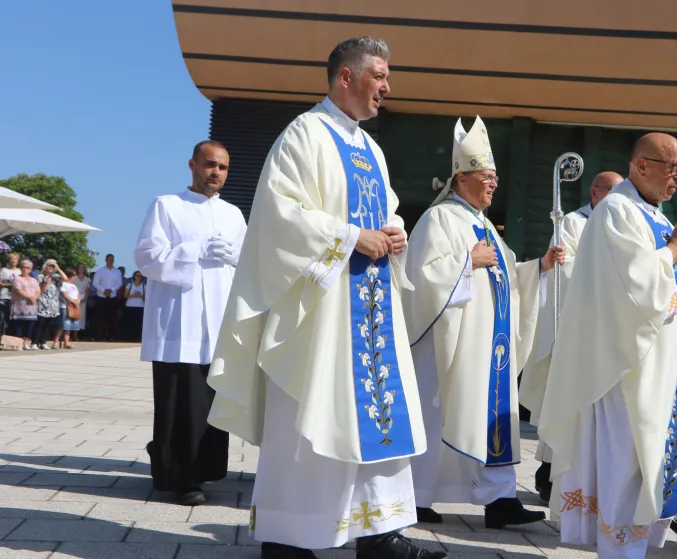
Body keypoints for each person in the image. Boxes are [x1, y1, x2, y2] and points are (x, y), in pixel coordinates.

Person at [205, 37, 446, 559]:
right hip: (321, 311)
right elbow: (278, 215)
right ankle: (292, 538)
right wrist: (349, 236)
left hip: (371, 309)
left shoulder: (371, 149)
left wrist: (394, 232)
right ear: (346, 77)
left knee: (375, 412)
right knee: (314, 415)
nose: (387, 86)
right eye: (379, 75)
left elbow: (387, 210)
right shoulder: (304, 135)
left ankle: (380, 533)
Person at [537, 133, 677, 558]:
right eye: (672, 167)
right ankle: (620, 549)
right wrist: (676, 248)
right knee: (631, 456)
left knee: (657, 458)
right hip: (628, 365)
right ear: (640, 166)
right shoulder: (617, 210)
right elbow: (634, 283)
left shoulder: (654, 216)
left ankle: (639, 546)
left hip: (664, 361)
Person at [403, 115, 566, 528]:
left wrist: (538, 269)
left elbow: (506, 274)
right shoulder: (439, 219)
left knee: (493, 417)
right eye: (487, 176)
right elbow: (420, 276)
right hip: (446, 342)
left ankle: (500, 499)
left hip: (486, 345)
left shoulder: (483, 224)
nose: (494, 184)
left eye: (495, 177)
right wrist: (465, 262)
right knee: (437, 414)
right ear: (462, 178)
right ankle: (416, 496)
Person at [133, 139, 247, 506]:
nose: (216, 173)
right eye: (210, 165)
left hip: (218, 323)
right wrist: (194, 250)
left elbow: (247, 264)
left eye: (223, 168)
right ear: (193, 165)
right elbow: (147, 258)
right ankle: (179, 477)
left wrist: (237, 259)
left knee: (210, 400)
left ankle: (205, 468)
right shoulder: (167, 206)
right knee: (180, 400)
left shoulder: (233, 214)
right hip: (178, 323)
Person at [519, 170, 623, 502]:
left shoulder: (622, 223)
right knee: (569, 405)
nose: (621, 200)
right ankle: (549, 475)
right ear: (595, 192)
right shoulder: (573, 224)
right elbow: (562, 270)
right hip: (577, 329)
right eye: (614, 192)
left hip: (610, 330)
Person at [31, 260, 64, 350]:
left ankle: (43, 342)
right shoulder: (40, 277)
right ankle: (34, 342)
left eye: (52, 267)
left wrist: (57, 267)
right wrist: (45, 283)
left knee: (47, 324)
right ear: (45, 267)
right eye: (49, 266)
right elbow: (39, 290)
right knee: (40, 323)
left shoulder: (56, 277)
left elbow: (65, 278)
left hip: (52, 304)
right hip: (42, 302)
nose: (50, 268)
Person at [9, 259, 40, 348]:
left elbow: (38, 291)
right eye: (22, 267)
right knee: (19, 325)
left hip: (31, 307)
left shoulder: (34, 280)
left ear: (30, 269)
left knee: (30, 325)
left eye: (27, 267)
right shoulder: (17, 278)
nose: (24, 269)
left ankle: (25, 342)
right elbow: (18, 290)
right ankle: (19, 343)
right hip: (20, 306)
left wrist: (34, 297)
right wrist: (29, 297)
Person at [92, 254, 123, 340]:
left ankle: (110, 335)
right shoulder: (100, 271)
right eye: (109, 259)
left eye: (112, 259)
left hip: (112, 297)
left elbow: (119, 283)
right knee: (99, 317)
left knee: (111, 318)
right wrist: (103, 290)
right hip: (101, 297)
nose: (111, 261)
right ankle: (98, 335)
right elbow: (95, 283)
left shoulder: (117, 272)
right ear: (106, 260)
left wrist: (111, 290)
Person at [55, 267, 81, 349]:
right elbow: (64, 294)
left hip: (73, 307)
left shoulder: (74, 285)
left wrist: (77, 301)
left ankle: (66, 342)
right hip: (65, 306)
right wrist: (72, 301)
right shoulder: (63, 284)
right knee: (62, 325)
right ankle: (55, 342)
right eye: (74, 275)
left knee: (68, 326)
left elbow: (77, 294)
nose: (75, 277)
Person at [122, 271, 146, 342]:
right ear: (134, 276)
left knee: (138, 323)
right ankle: (128, 337)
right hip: (130, 305)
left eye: (140, 276)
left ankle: (137, 337)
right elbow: (125, 295)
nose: (139, 277)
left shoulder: (144, 286)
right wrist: (134, 295)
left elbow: (146, 296)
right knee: (129, 322)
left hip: (140, 306)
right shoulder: (129, 285)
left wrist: (139, 295)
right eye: (138, 275)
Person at [0, 252, 20, 336]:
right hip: (4, 296)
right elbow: (1, 283)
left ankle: (11, 338)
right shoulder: (4, 270)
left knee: (14, 318)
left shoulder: (19, 271)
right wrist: (12, 285)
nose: (13, 261)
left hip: (16, 298)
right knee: (2, 317)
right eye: (12, 259)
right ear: (8, 260)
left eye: (15, 259)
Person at [72, 263, 91, 338]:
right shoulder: (74, 278)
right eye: (80, 267)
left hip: (83, 299)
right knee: (74, 316)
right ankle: (72, 334)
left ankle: (78, 334)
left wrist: (85, 299)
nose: (81, 269)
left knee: (81, 317)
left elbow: (87, 290)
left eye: (83, 267)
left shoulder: (87, 279)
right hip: (74, 299)